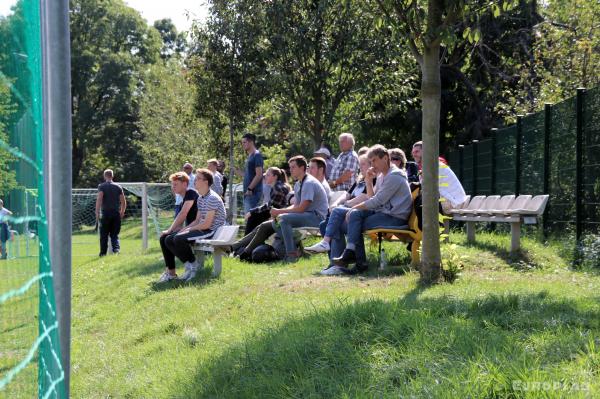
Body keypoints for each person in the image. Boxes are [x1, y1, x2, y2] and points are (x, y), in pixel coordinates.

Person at [326, 145, 412, 275]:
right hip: (384, 213)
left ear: (386, 158)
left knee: (354, 221)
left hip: (395, 217)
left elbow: (376, 202)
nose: (373, 165)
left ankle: (357, 261)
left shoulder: (395, 176)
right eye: (370, 162)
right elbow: (372, 198)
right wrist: (368, 181)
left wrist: (353, 208)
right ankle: (352, 255)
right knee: (354, 217)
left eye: (375, 160)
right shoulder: (383, 175)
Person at [163, 168, 226, 282]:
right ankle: (190, 266)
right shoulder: (201, 198)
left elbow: (207, 224)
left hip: (212, 231)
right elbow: (197, 220)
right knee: (168, 239)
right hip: (204, 229)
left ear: (206, 182)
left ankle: (194, 267)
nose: (195, 181)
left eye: (198, 179)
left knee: (178, 239)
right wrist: (186, 229)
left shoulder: (212, 198)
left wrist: (189, 229)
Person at [305, 153, 373, 255]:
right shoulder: (359, 179)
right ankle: (333, 261)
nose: (360, 167)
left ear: (370, 165)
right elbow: (347, 194)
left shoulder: (373, 179)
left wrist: (346, 204)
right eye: (360, 164)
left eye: (363, 164)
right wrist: (337, 203)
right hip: (350, 209)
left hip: (360, 210)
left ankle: (328, 248)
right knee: (324, 224)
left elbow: (365, 197)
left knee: (336, 221)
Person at [271, 155, 329, 262]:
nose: (290, 170)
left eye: (293, 167)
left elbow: (301, 208)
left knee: (283, 219)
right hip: (308, 215)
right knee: (275, 222)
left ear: (302, 168)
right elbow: (296, 205)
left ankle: (291, 255)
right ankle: (295, 250)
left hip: (318, 218)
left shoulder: (309, 183)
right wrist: (278, 213)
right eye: (290, 167)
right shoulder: (298, 184)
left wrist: (280, 211)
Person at [157, 172, 199, 282]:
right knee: (164, 238)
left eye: (175, 184)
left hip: (200, 229)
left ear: (185, 184)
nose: (173, 187)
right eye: (172, 184)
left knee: (171, 238)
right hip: (190, 228)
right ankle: (171, 273)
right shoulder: (182, 199)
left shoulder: (191, 193)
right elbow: (179, 222)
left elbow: (183, 213)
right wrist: (172, 230)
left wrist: (170, 230)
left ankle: (192, 265)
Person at [243, 167, 291, 235]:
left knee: (253, 217)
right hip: (278, 214)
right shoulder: (278, 186)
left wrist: (252, 211)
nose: (265, 177)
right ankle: (250, 241)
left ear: (275, 177)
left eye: (268, 175)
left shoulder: (278, 188)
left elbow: (271, 206)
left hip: (280, 216)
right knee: (255, 216)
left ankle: (246, 242)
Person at [95, 169, 126, 256]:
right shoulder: (118, 186)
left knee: (104, 235)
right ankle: (116, 250)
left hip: (106, 214)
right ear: (112, 176)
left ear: (104, 176)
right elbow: (123, 201)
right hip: (116, 214)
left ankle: (103, 253)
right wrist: (122, 211)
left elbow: (99, 198)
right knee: (114, 234)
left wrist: (97, 212)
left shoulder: (101, 186)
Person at [240, 133, 264, 213]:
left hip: (253, 193)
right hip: (248, 193)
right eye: (242, 143)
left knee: (251, 220)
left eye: (244, 142)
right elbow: (247, 175)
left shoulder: (256, 155)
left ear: (251, 142)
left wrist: (250, 188)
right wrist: (236, 170)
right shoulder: (249, 156)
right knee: (248, 220)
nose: (242, 145)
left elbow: (259, 175)